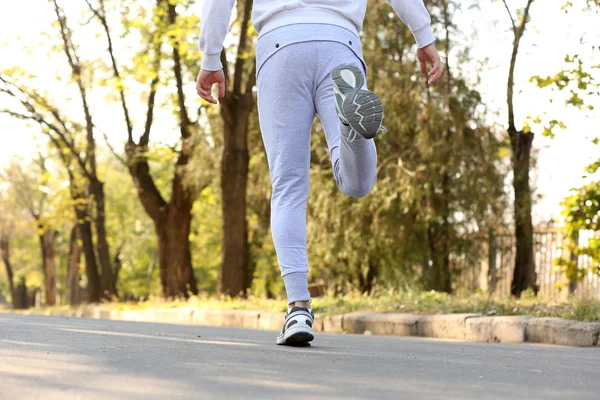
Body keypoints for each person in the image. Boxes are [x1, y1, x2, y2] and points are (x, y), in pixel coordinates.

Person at [197, 0, 443, 346]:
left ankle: (298, 307)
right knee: (357, 184)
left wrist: (211, 57)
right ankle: (351, 125)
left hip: (280, 45)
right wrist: (424, 35)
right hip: (339, 42)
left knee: (288, 185)